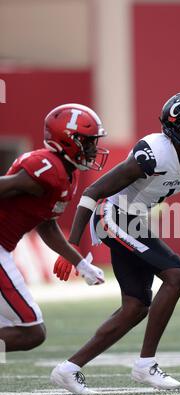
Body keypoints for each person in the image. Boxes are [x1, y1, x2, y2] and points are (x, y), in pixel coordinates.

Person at [51, 91, 180, 394]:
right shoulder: (152, 153)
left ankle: (68, 369)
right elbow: (93, 192)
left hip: (134, 220)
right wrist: (72, 248)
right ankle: (145, 365)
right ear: (177, 129)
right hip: (113, 217)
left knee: (136, 306)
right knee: (176, 274)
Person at [0, 103, 107, 353]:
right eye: (88, 142)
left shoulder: (66, 173)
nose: (93, 148)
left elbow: (47, 225)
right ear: (68, 140)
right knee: (31, 331)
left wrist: (80, 263)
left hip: (4, 249)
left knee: (24, 329)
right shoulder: (47, 168)